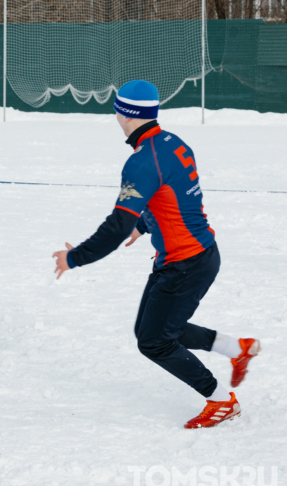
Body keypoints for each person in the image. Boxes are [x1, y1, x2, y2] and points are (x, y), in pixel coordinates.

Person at [52, 80, 260, 429]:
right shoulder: (172, 143)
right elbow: (172, 196)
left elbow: (116, 227)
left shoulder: (142, 161)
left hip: (186, 264)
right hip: (192, 256)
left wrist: (74, 258)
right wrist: (145, 225)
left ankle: (221, 401)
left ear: (123, 113)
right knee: (152, 330)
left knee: (154, 341)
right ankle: (235, 347)